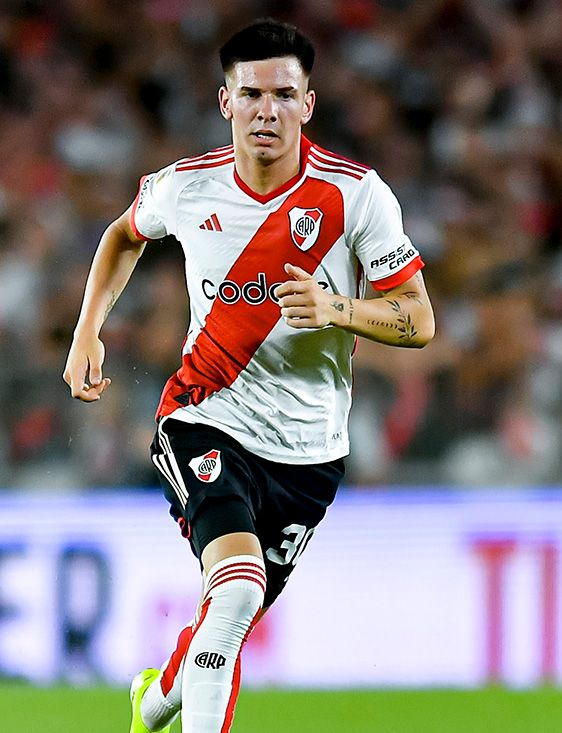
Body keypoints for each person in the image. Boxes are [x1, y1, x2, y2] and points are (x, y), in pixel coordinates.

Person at [63, 20, 434, 733]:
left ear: (310, 104)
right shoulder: (188, 187)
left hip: (309, 454)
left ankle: (153, 701)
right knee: (234, 595)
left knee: (225, 618)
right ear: (226, 102)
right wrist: (88, 330)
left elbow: (419, 321)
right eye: (253, 93)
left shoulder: (355, 197)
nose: (269, 110)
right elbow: (121, 236)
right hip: (206, 415)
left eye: (285, 95)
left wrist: (338, 308)